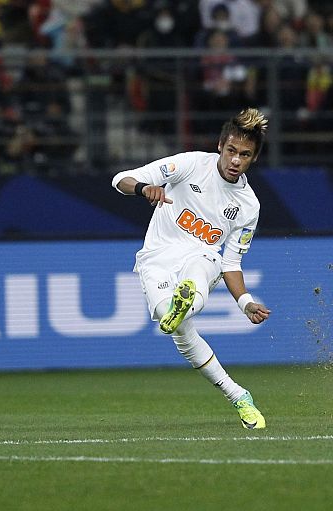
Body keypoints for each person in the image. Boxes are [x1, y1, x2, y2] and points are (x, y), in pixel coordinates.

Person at [111, 107, 271, 429]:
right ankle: (239, 395)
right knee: (174, 326)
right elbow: (120, 180)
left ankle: (187, 301)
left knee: (199, 271)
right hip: (157, 257)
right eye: (231, 151)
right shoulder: (190, 164)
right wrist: (144, 189)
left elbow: (231, 262)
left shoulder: (248, 206)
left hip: (204, 257)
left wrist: (245, 301)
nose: (235, 160)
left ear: (253, 159)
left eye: (245, 155)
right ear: (219, 146)